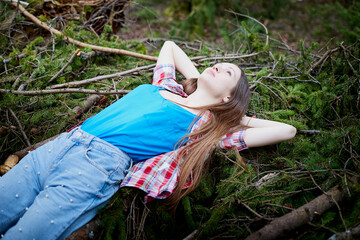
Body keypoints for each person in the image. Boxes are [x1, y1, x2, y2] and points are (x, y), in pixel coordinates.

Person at [0, 41, 296, 239]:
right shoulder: (164, 87)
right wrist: (199, 83)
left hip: (93, 170)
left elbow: (286, 130)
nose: (218, 65)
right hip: (62, 146)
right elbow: (169, 46)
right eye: (217, 64)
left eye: (227, 71)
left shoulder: (204, 130)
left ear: (230, 95)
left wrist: (232, 114)